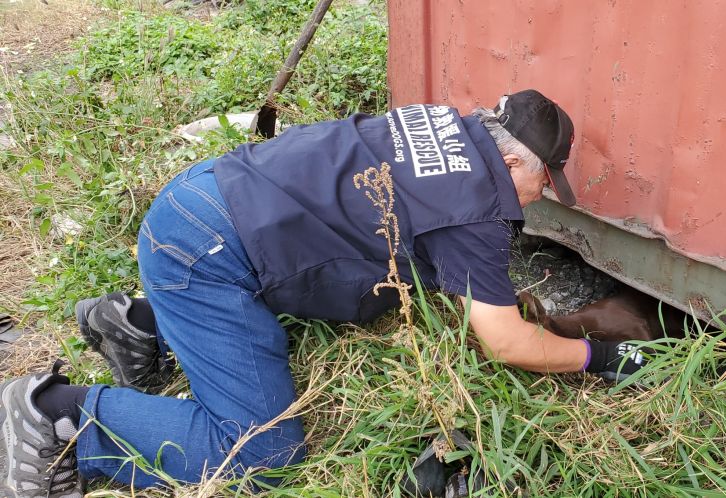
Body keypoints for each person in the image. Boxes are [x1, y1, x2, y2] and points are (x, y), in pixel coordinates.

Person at [0, 89, 652, 496]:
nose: (540, 198)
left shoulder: (443, 125)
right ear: (512, 164)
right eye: (544, 181)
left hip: (202, 199)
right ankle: (64, 420)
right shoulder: (479, 200)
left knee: (381, 288)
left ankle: (142, 324)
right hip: (207, 254)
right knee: (263, 455)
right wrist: (598, 358)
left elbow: (415, 251)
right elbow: (505, 343)